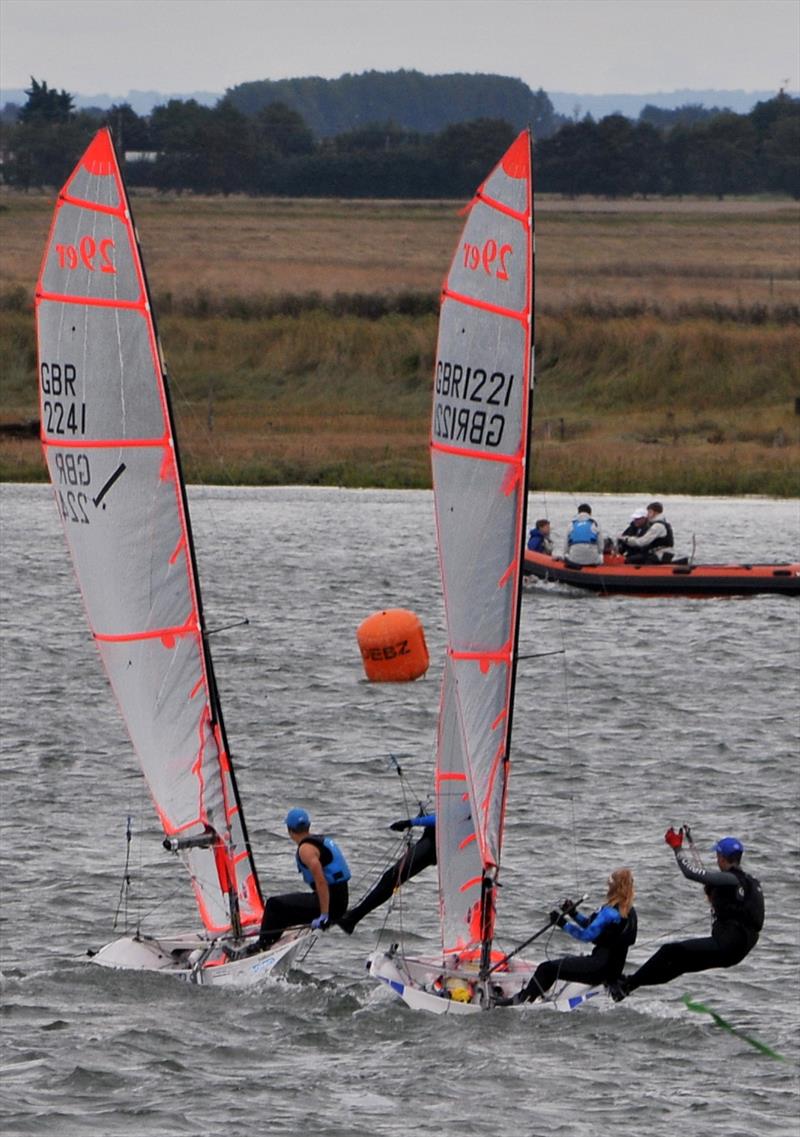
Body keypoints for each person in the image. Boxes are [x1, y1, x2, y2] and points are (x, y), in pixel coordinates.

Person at [609, 830, 763, 1002]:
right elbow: (737, 909)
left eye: (717, 856)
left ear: (721, 857)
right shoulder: (748, 882)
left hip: (728, 943)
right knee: (679, 964)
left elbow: (691, 873)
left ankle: (626, 986)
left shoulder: (731, 879)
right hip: (738, 947)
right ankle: (627, 986)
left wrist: (677, 848)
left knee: (669, 951)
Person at [495, 868, 637, 1004]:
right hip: (611, 970)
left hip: (598, 968)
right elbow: (592, 926)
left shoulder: (609, 912)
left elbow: (586, 935)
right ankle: (531, 997)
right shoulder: (629, 913)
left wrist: (562, 923)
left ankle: (521, 1001)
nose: (607, 887)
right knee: (550, 969)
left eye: (609, 884)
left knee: (546, 968)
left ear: (615, 887)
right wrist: (573, 913)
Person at [255, 808, 351, 949]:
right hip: (339, 901)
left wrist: (324, 915)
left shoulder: (306, 849)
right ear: (308, 826)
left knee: (273, 905)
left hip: (331, 905)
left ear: (289, 830)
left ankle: (260, 946)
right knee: (285, 909)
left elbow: (321, 882)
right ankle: (271, 942)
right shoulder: (320, 841)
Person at [338, 812, 436, 934]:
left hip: (434, 844)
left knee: (392, 877)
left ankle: (351, 919)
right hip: (433, 838)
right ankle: (352, 918)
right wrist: (424, 818)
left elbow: (442, 818)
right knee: (390, 878)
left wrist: (409, 823)